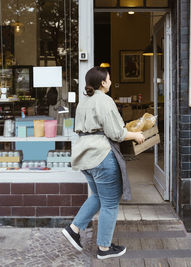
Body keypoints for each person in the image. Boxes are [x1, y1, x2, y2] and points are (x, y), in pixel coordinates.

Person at [62, 66, 145, 260]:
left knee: (98, 196)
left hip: (85, 156)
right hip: (102, 155)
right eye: (109, 78)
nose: (110, 81)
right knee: (110, 204)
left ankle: (74, 228)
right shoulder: (105, 101)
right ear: (102, 83)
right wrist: (136, 135)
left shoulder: (84, 102)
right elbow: (116, 132)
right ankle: (104, 249)